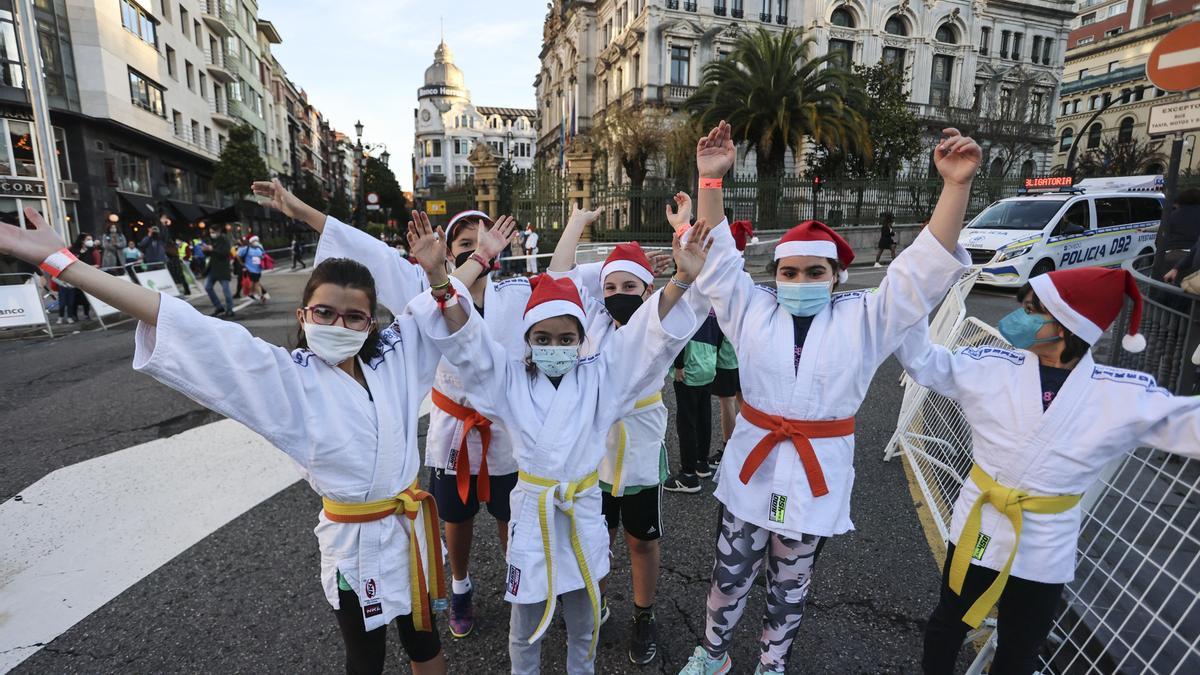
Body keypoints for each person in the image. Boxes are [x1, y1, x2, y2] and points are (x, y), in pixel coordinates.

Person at [0, 203, 453, 675]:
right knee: (365, 659)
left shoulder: (395, 358)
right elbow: (179, 321)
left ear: (370, 324)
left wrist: (447, 267)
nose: (338, 325)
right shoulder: (285, 377)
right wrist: (64, 264)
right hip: (354, 544)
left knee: (424, 640)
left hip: (408, 529)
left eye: (353, 317)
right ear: (303, 315)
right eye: (325, 312)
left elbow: (438, 309)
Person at [678, 121, 980, 675]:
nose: (800, 280)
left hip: (816, 476)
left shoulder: (866, 320)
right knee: (727, 579)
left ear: (837, 276)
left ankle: (771, 665)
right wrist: (710, 181)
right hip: (752, 472)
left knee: (788, 590)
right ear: (774, 276)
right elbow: (719, 264)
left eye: (814, 272)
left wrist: (954, 186)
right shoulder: (752, 311)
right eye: (789, 272)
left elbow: (919, 271)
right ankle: (714, 654)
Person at [408, 210, 712, 675]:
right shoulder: (509, 380)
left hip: (583, 511)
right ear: (527, 341)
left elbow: (644, 340)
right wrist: (436, 275)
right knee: (524, 629)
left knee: (585, 624)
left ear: (580, 339)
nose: (556, 345)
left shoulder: (601, 376)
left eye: (566, 337)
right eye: (544, 338)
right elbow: (469, 342)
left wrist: (680, 282)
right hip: (533, 516)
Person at [896, 267, 1200, 674]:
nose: (1018, 317)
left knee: (1021, 646)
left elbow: (1186, 423)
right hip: (981, 525)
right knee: (949, 621)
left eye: (1031, 310)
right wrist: (912, 298)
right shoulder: (992, 365)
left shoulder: (1121, 393)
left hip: (1045, 544)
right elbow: (924, 362)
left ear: (1068, 325)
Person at [272, 191, 533, 643]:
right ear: (449, 251)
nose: (474, 247)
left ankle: (520, 585)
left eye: (482, 238)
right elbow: (366, 251)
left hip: (505, 431)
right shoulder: (422, 284)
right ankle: (460, 586)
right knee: (457, 516)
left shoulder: (518, 290)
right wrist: (302, 211)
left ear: (500, 243)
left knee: (514, 515)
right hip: (454, 429)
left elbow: (566, 292)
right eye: (464, 241)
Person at [545, 205, 705, 664]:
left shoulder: (658, 321)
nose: (617, 294)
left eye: (629, 287)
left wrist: (681, 239)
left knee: (641, 539)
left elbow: (685, 292)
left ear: (647, 290)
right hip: (593, 448)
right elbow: (560, 279)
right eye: (610, 286)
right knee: (596, 535)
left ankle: (643, 613)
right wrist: (576, 224)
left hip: (637, 445)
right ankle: (594, 605)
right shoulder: (591, 320)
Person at [665, 310, 720, 493]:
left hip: (689, 367)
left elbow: (681, 334)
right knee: (704, 417)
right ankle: (702, 463)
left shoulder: (691, 301)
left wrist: (679, 365)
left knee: (686, 422)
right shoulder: (712, 303)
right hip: (708, 364)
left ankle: (688, 475)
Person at [1159, 188, 1200, 276]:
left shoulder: (1171, 215)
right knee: (1189, 287)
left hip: (1170, 255)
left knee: (1167, 286)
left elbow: (1160, 238)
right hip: (1193, 257)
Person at [202, 228, 234, 317]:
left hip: (222, 269)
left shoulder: (224, 240)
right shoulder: (213, 241)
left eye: (213, 232)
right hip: (213, 269)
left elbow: (225, 253)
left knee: (225, 289)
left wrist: (212, 249)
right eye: (210, 232)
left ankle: (230, 309)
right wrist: (206, 250)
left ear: (218, 231)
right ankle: (219, 306)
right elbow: (211, 254)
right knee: (208, 287)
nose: (211, 234)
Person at [238, 235, 268, 302]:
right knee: (255, 282)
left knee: (255, 282)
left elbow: (263, 255)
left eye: (257, 241)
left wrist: (262, 258)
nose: (256, 242)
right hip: (250, 269)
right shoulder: (246, 248)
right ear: (251, 242)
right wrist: (241, 263)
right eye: (255, 241)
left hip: (258, 268)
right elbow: (238, 255)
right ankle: (258, 295)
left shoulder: (260, 248)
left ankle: (253, 294)